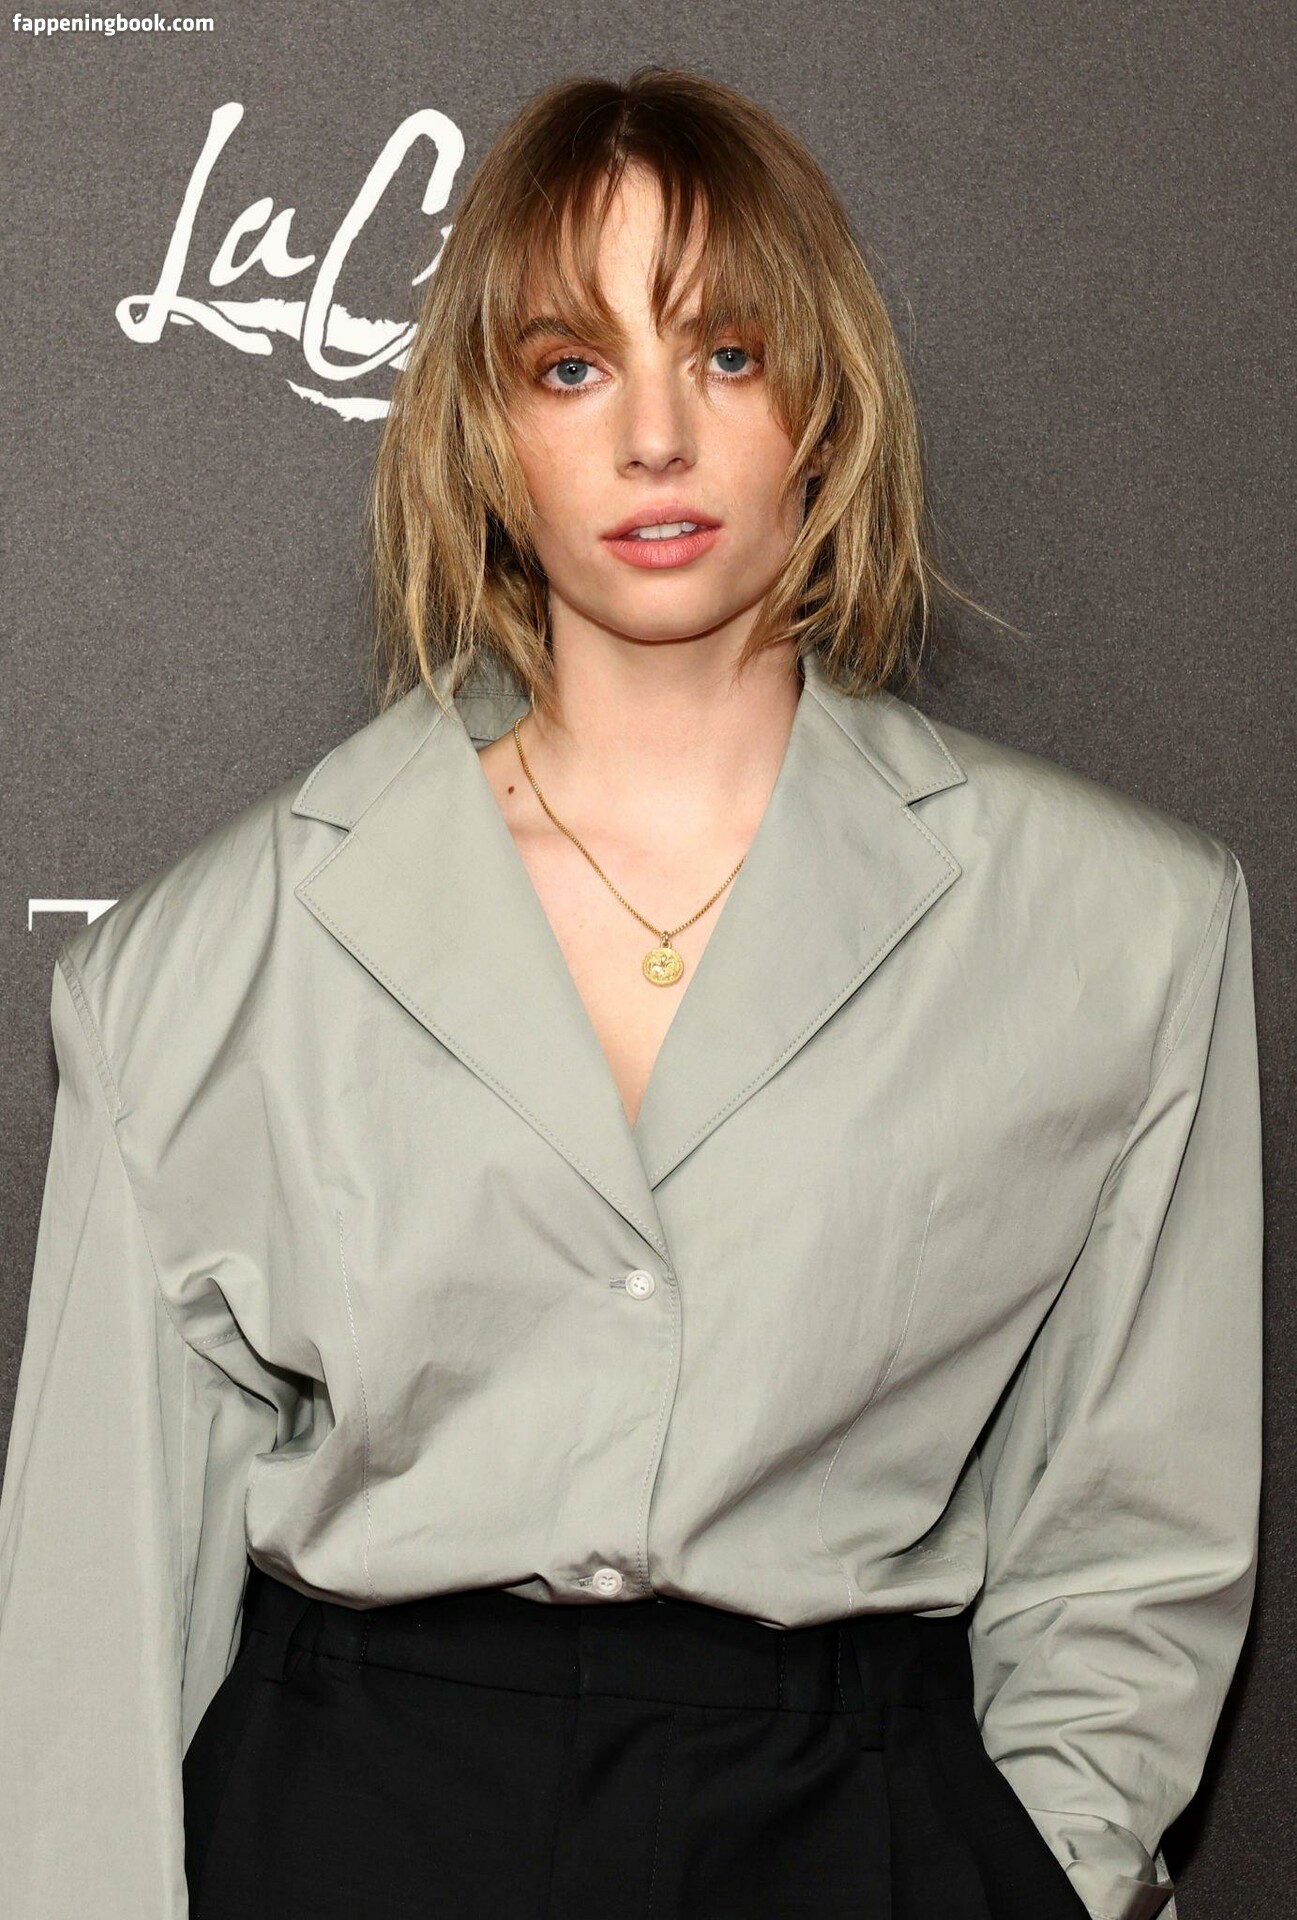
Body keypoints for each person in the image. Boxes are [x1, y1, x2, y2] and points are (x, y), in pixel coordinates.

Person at [0, 65, 1261, 1920]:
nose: (656, 437)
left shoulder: (1121, 926)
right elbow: (95, 1616)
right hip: (348, 1831)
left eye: (727, 355)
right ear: (482, 426)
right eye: (571, 364)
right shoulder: (204, 959)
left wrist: (1045, 1872)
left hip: (863, 1829)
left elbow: (1134, 1531)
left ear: (822, 405)